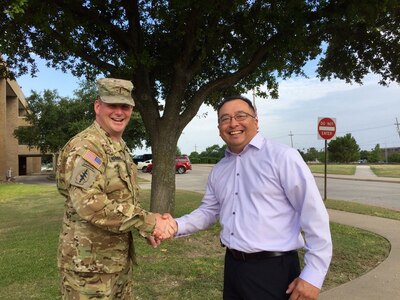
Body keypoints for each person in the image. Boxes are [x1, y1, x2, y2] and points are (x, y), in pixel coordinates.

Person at [173, 96, 332, 300]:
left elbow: (314, 215)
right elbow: (208, 211)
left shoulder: (283, 157)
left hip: (275, 272)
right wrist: (175, 225)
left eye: (241, 115)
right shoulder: (220, 169)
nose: (233, 123)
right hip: (233, 268)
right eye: (225, 118)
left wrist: (313, 276)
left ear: (256, 120)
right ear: (219, 127)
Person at [56, 78, 176, 299]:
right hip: (88, 269)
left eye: (125, 106)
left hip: (115, 262)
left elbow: (123, 201)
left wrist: (143, 228)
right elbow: (90, 205)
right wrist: (149, 222)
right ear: (98, 106)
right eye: (112, 105)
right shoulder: (87, 147)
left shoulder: (117, 147)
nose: (119, 112)